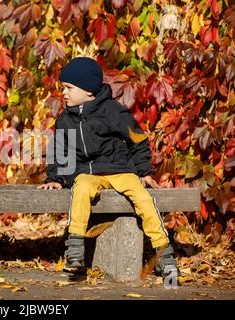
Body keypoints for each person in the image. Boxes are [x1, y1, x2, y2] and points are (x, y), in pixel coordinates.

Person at [37, 57, 179, 281]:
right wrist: (55, 177)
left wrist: (144, 172)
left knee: (143, 198)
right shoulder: (65, 120)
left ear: (89, 91)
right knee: (80, 188)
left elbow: (138, 139)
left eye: (69, 88)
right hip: (88, 174)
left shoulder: (113, 111)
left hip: (120, 170)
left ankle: (163, 252)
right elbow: (59, 150)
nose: (63, 93)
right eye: (63, 87)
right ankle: (75, 250)